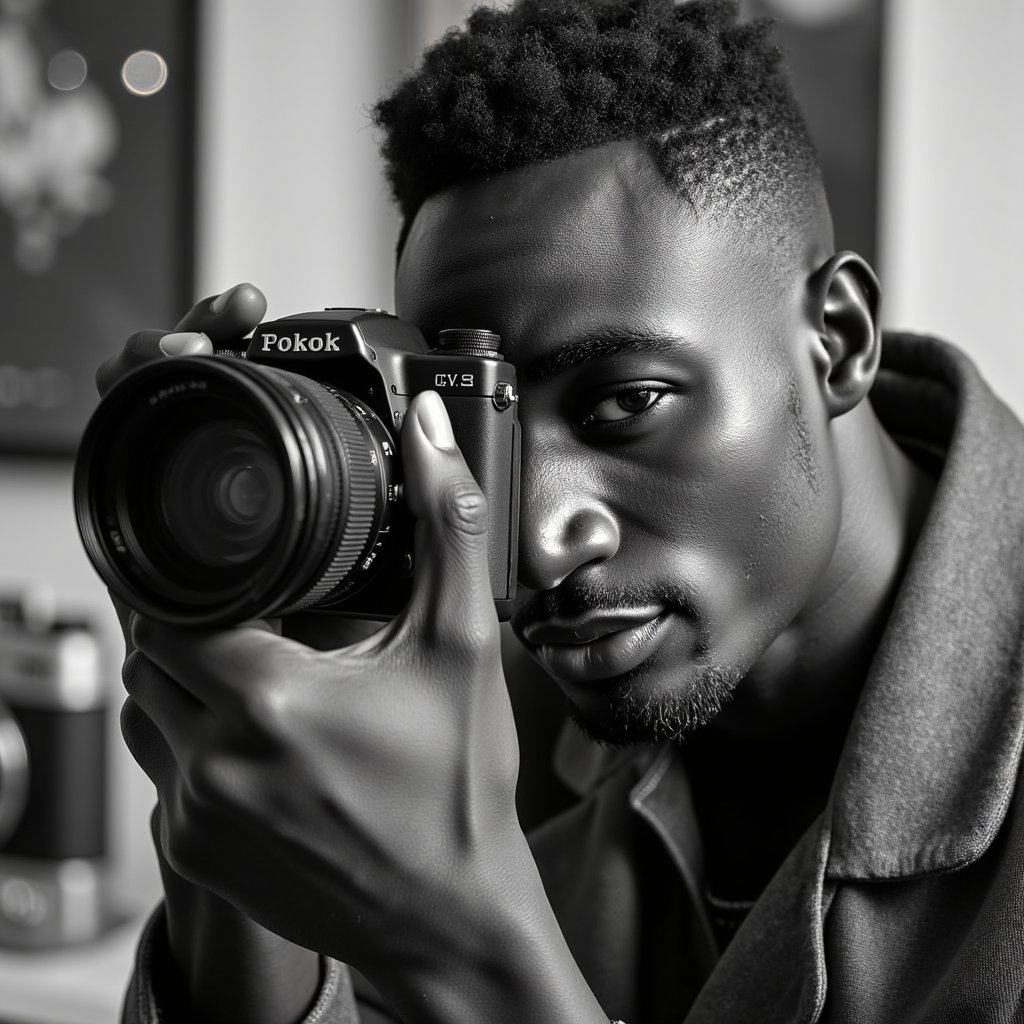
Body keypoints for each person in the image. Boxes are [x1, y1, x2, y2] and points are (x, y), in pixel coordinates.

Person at [102, 1, 1024, 1021]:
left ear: (839, 339)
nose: (536, 540)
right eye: (475, 429)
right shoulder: (476, 687)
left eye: (624, 403)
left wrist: (462, 939)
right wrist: (227, 822)